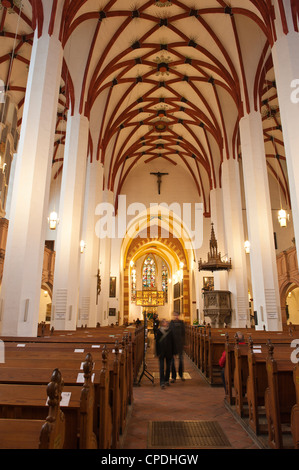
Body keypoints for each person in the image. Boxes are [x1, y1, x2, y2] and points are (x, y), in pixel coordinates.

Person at [155, 319, 175, 389]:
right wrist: (157, 352)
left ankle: (166, 380)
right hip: (161, 351)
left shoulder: (170, 331)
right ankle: (162, 382)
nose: (165, 323)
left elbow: (173, 342)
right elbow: (157, 342)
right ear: (162, 324)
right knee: (161, 367)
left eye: (166, 322)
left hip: (169, 351)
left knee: (168, 367)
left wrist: (173, 352)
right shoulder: (159, 331)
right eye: (164, 322)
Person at [169, 312, 185, 382]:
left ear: (179, 316)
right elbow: (169, 333)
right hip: (172, 344)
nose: (176, 316)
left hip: (180, 344)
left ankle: (181, 375)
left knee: (181, 360)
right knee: (172, 361)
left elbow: (184, 334)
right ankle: (173, 377)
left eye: (177, 315)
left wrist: (184, 343)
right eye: (175, 315)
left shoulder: (182, 323)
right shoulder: (171, 323)